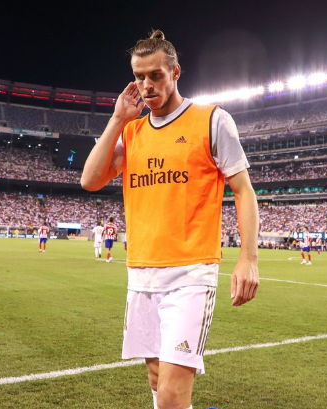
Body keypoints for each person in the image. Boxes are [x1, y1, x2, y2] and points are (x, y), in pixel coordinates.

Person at [81, 30, 259, 409]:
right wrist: (117, 119)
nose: (146, 85)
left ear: (175, 72)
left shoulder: (211, 120)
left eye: (156, 75)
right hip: (141, 273)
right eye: (139, 77)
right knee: (156, 380)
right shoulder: (131, 132)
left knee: (172, 394)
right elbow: (90, 180)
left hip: (190, 274)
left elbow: (244, 190)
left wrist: (248, 258)